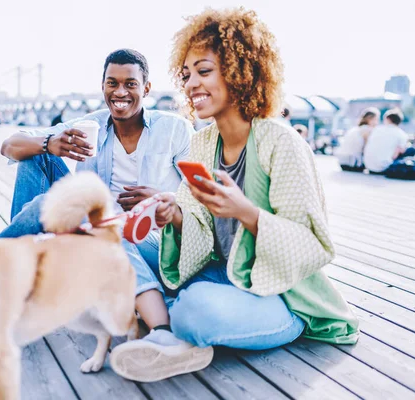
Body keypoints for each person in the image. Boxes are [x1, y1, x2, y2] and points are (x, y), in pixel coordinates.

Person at [109, 8, 359, 383]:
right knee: (111, 238)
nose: (192, 84)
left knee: (195, 308)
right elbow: (197, 228)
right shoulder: (202, 143)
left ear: (241, 71)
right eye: (187, 74)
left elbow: (313, 246)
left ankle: (163, 315)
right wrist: (174, 214)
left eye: (204, 71)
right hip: (217, 275)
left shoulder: (281, 143)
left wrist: (247, 213)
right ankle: (167, 327)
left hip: (280, 297)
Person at [0, 49, 194, 327]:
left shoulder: (176, 130)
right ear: (103, 86)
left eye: (131, 84)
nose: (120, 92)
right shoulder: (92, 124)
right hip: (92, 226)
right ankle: (21, 272)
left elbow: (200, 199)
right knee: (35, 155)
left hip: (149, 240)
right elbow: (9, 146)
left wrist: (164, 199)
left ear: (146, 88)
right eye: (112, 83)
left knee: (51, 206)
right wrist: (49, 143)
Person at [363, 109, 411, 173]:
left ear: (387, 119)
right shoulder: (402, 134)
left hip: (368, 165)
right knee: (410, 150)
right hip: (384, 168)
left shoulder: (376, 129)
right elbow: (395, 155)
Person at [334, 107, 380, 172]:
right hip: (353, 164)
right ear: (369, 119)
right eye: (376, 119)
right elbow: (366, 149)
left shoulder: (355, 129)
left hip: (342, 162)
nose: (377, 122)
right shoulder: (367, 130)